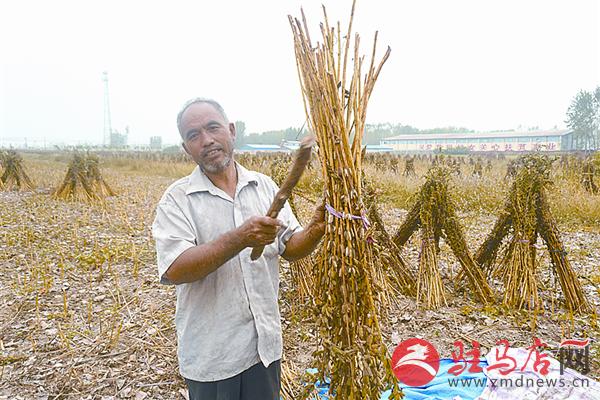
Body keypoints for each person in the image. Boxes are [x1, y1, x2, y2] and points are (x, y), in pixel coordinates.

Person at [152, 98, 325, 400]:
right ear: (186, 148)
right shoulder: (178, 199)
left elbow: (290, 247)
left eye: (213, 128)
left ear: (231, 131)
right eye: (194, 135)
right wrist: (240, 238)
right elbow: (175, 268)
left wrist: (315, 231)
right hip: (214, 357)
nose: (206, 140)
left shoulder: (264, 186)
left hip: (264, 348)